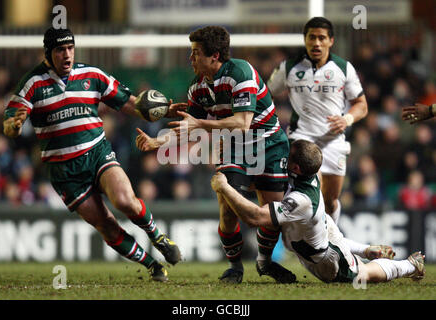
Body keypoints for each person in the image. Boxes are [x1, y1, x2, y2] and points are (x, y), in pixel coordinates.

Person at [2, 27, 182, 282]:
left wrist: (163, 111)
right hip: (64, 172)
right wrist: (14, 126)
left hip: (97, 153)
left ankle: (158, 237)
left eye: (70, 48)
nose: (67, 55)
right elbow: (10, 123)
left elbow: (129, 103)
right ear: (48, 53)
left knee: (124, 201)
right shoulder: (32, 83)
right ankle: (152, 265)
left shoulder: (92, 75)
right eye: (60, 50)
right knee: (105, 224)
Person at [136, 26, 294, 284]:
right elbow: (190, 126)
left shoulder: (240, 73)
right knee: (228, 208)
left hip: (270, 144)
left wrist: (201, 125)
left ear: (215, 56)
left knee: (271, 215)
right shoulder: (196, 88)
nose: (191, 59)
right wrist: (158, 142)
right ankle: (234, 266)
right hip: (234, 146)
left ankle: (265, 262)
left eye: (196, 53)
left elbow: (242, 122)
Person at [211, 140, 425, 284]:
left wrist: (225, 188)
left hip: (325, 261)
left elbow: (255, 217)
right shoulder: (307, 172)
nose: (284, 156)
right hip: (319, 229)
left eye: (289, 156)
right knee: (330, 238)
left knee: (364, 273)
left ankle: (410, 265)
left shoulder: (301, 201)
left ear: (296, 168)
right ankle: (367, 250)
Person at [267, 17, 368, 225]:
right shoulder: (289, 67)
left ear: (331, 41)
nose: (316, 43)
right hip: (302, 138)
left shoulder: (344, 68)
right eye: (312, 37)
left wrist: (347, 119)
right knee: (312, 193)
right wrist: (272, 119)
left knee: (330, 201)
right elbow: (267, 94)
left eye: (322, 38)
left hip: (333, 141)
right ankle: (304, 242)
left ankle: (330, 238)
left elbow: (362, 105)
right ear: (305, 39)